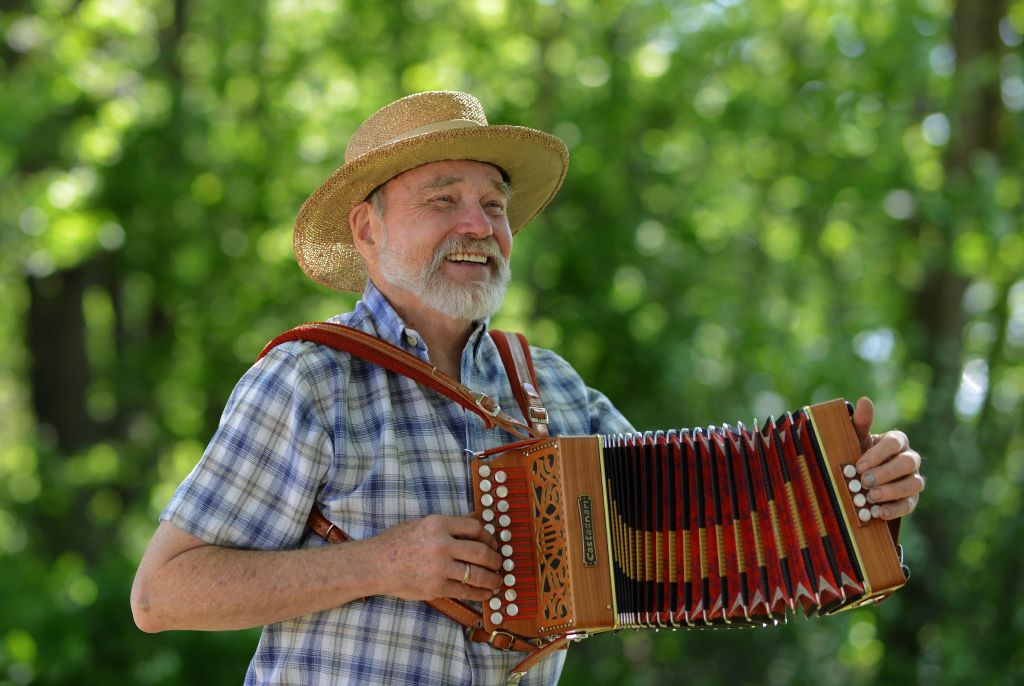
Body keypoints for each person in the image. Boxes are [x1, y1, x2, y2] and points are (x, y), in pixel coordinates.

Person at [131, 91, 925, 685]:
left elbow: (700, 524)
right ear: (367, 232)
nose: (478, 226)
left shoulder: (547, 386)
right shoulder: (310, 379)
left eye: (493, 205)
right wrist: (382, 564)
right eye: (443, 200)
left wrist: (850, 491)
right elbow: (162, 595)